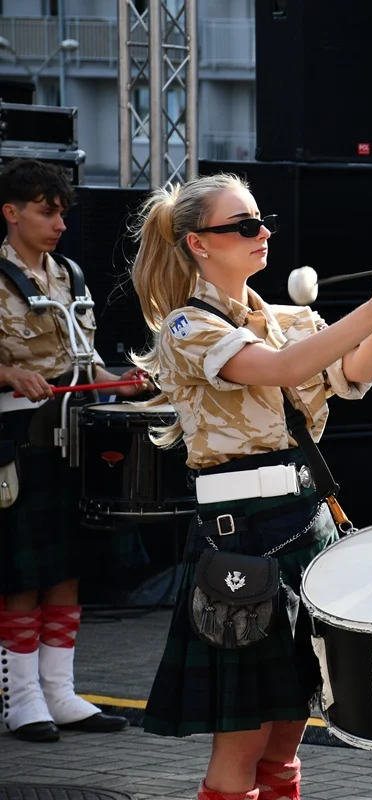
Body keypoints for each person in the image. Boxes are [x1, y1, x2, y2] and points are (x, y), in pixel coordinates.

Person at [131, 173, 372, 800]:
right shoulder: (185, 328)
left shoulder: (291, 318)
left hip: (305, 523)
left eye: (261, 220)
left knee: (288, 729)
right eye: (243, 225)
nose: (262, 232)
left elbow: (353, 375)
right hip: (240, 535)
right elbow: (278, 369)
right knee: (242, 741)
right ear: (198, 244)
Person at [0, 158, 141, 743]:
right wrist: (8, 371)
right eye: (44, 210)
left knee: (67, 572)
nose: (58, 222)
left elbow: (85, 360)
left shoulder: (72, 276)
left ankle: (60, 691)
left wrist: (122, 379)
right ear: (10, 212)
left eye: (61, 211)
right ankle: (22, 698)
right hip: (17, 440)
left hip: (73, 437)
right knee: (20, 576)